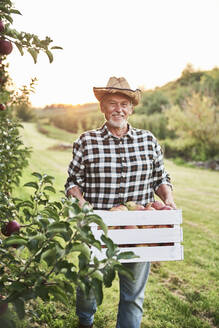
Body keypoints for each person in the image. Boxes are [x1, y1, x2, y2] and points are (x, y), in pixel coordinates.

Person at [65, 77, 176, 328]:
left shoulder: (148, 140)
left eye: (124, 104)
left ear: (131, 108)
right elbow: (73, 182)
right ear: (103, 108)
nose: (118, 109)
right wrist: (82, 204)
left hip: (138, 230)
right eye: (112, 103)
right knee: (89, 287)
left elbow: (160, 177)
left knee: (133, 294)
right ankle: (86, 320)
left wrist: (167, 199)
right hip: (98, 229)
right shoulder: (87, 141)